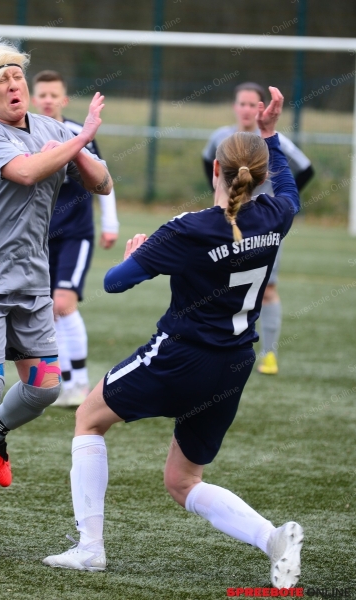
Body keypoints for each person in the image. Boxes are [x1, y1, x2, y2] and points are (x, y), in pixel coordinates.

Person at [43, 87, 303, 590]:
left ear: (215, 172)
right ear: (262, 177)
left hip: (182, 356)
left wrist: (136, 252)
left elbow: (114, 284)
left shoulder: (188, 229)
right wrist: (269, 133)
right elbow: (289, 189)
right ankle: (274, 539)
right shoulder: (277, 216)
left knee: (89, 418)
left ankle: (89, 548)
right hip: (233, 365)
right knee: (182, 482)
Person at [0, 36, 113, 553]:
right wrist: (78, 136)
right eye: (1, 80)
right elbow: (25, 172)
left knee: (44, 387)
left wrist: (81, 144)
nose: (13, 85)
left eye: (17, 76)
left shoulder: (52, 128)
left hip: (30, 282)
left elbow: (102, 183)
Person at [202, 82, 314, 375]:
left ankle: (269, 354)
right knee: (218, 282)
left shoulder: (272, 140)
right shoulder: (221, 137)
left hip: (263, 223)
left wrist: (278, 203)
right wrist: (219, 195)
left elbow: (306, 168)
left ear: (262, 108)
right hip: (227, 219)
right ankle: (220, 349)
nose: (247, 109)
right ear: (234, 106)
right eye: (242, 103)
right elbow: (207, 160)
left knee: (267, 289)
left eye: (253, 104)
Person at [31, 70, 119, 407]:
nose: (48, 99)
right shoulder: (26, 134)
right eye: (43, 94)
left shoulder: (74, 133)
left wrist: (110, 222)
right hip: (38, 237)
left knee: (64, 304)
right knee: (47, 310)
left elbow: (101, 176)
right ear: (34, 98)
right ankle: (64, 381)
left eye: (55, 94)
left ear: (64, 100)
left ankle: (79, 382)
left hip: (75, 234)